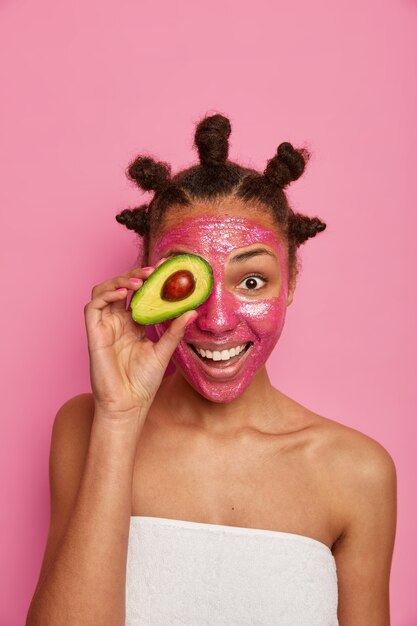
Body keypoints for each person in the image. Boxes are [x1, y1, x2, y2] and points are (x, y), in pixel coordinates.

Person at [26, 114, 397, 625]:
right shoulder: (86, 427)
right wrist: (118, 419)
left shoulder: (356, 471)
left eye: (252, 282)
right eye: (186, 283)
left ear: (289, 282)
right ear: (146, 283)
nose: (217, 322)